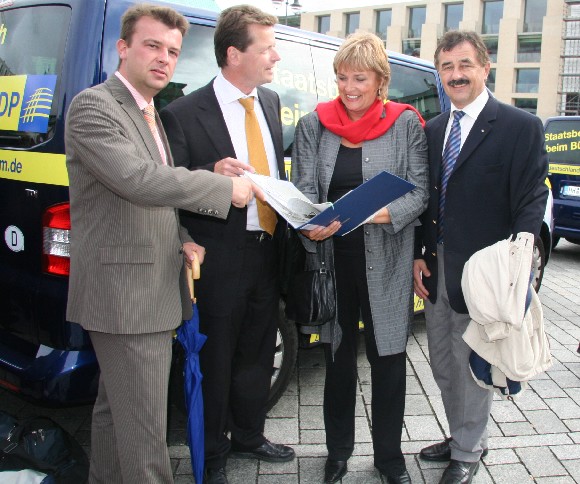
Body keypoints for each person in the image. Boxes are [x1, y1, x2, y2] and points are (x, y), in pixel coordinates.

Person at [65, 4, 260, 483]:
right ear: (123, 47)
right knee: (147, 436)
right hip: (126, 299)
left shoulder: (146, 110)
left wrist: (183, 237)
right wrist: (220, 190)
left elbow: (154, 194)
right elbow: (135, 179)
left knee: (116, 421)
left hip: (148, 286)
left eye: (172, 51)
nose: (164, 59)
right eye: (152, 46)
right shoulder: (95, 106)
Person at [160, 5, 293, 484]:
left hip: (267, 249)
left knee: (258, 350)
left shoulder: (272, 102)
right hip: (216, 255)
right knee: (215, 358)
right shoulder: (181, 113)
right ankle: (212, 453)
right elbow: (168, 186)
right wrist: (208, 175)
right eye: (267, 48)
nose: (276, 56)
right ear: (234, 54)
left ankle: (249, 435)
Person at [291, 32, 429, 484]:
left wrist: (369, 215)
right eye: (342, 77)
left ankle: (389, 459)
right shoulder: (315, 123)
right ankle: (337, 454)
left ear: (380, 81)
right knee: (338, 361)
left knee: (388, 360)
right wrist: (310, 220)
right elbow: (307, 192)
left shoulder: (405, 123)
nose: (349, 88)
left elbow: (420, 193)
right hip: (333, 260)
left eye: (360, 78)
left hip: (386, 261)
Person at [413, 30, 548, 484]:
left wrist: (521, 259)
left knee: (474, 359)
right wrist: (419, 254)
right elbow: (427, 200)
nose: (456, 75)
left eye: (465, 65)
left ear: (485, 68)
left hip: (487, 270)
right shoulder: (432, 130)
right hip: (439, 265)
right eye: (447, 67)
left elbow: (531, 197)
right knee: (441, 359)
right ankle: (459, 435)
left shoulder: (519, 126)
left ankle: (468, 450)